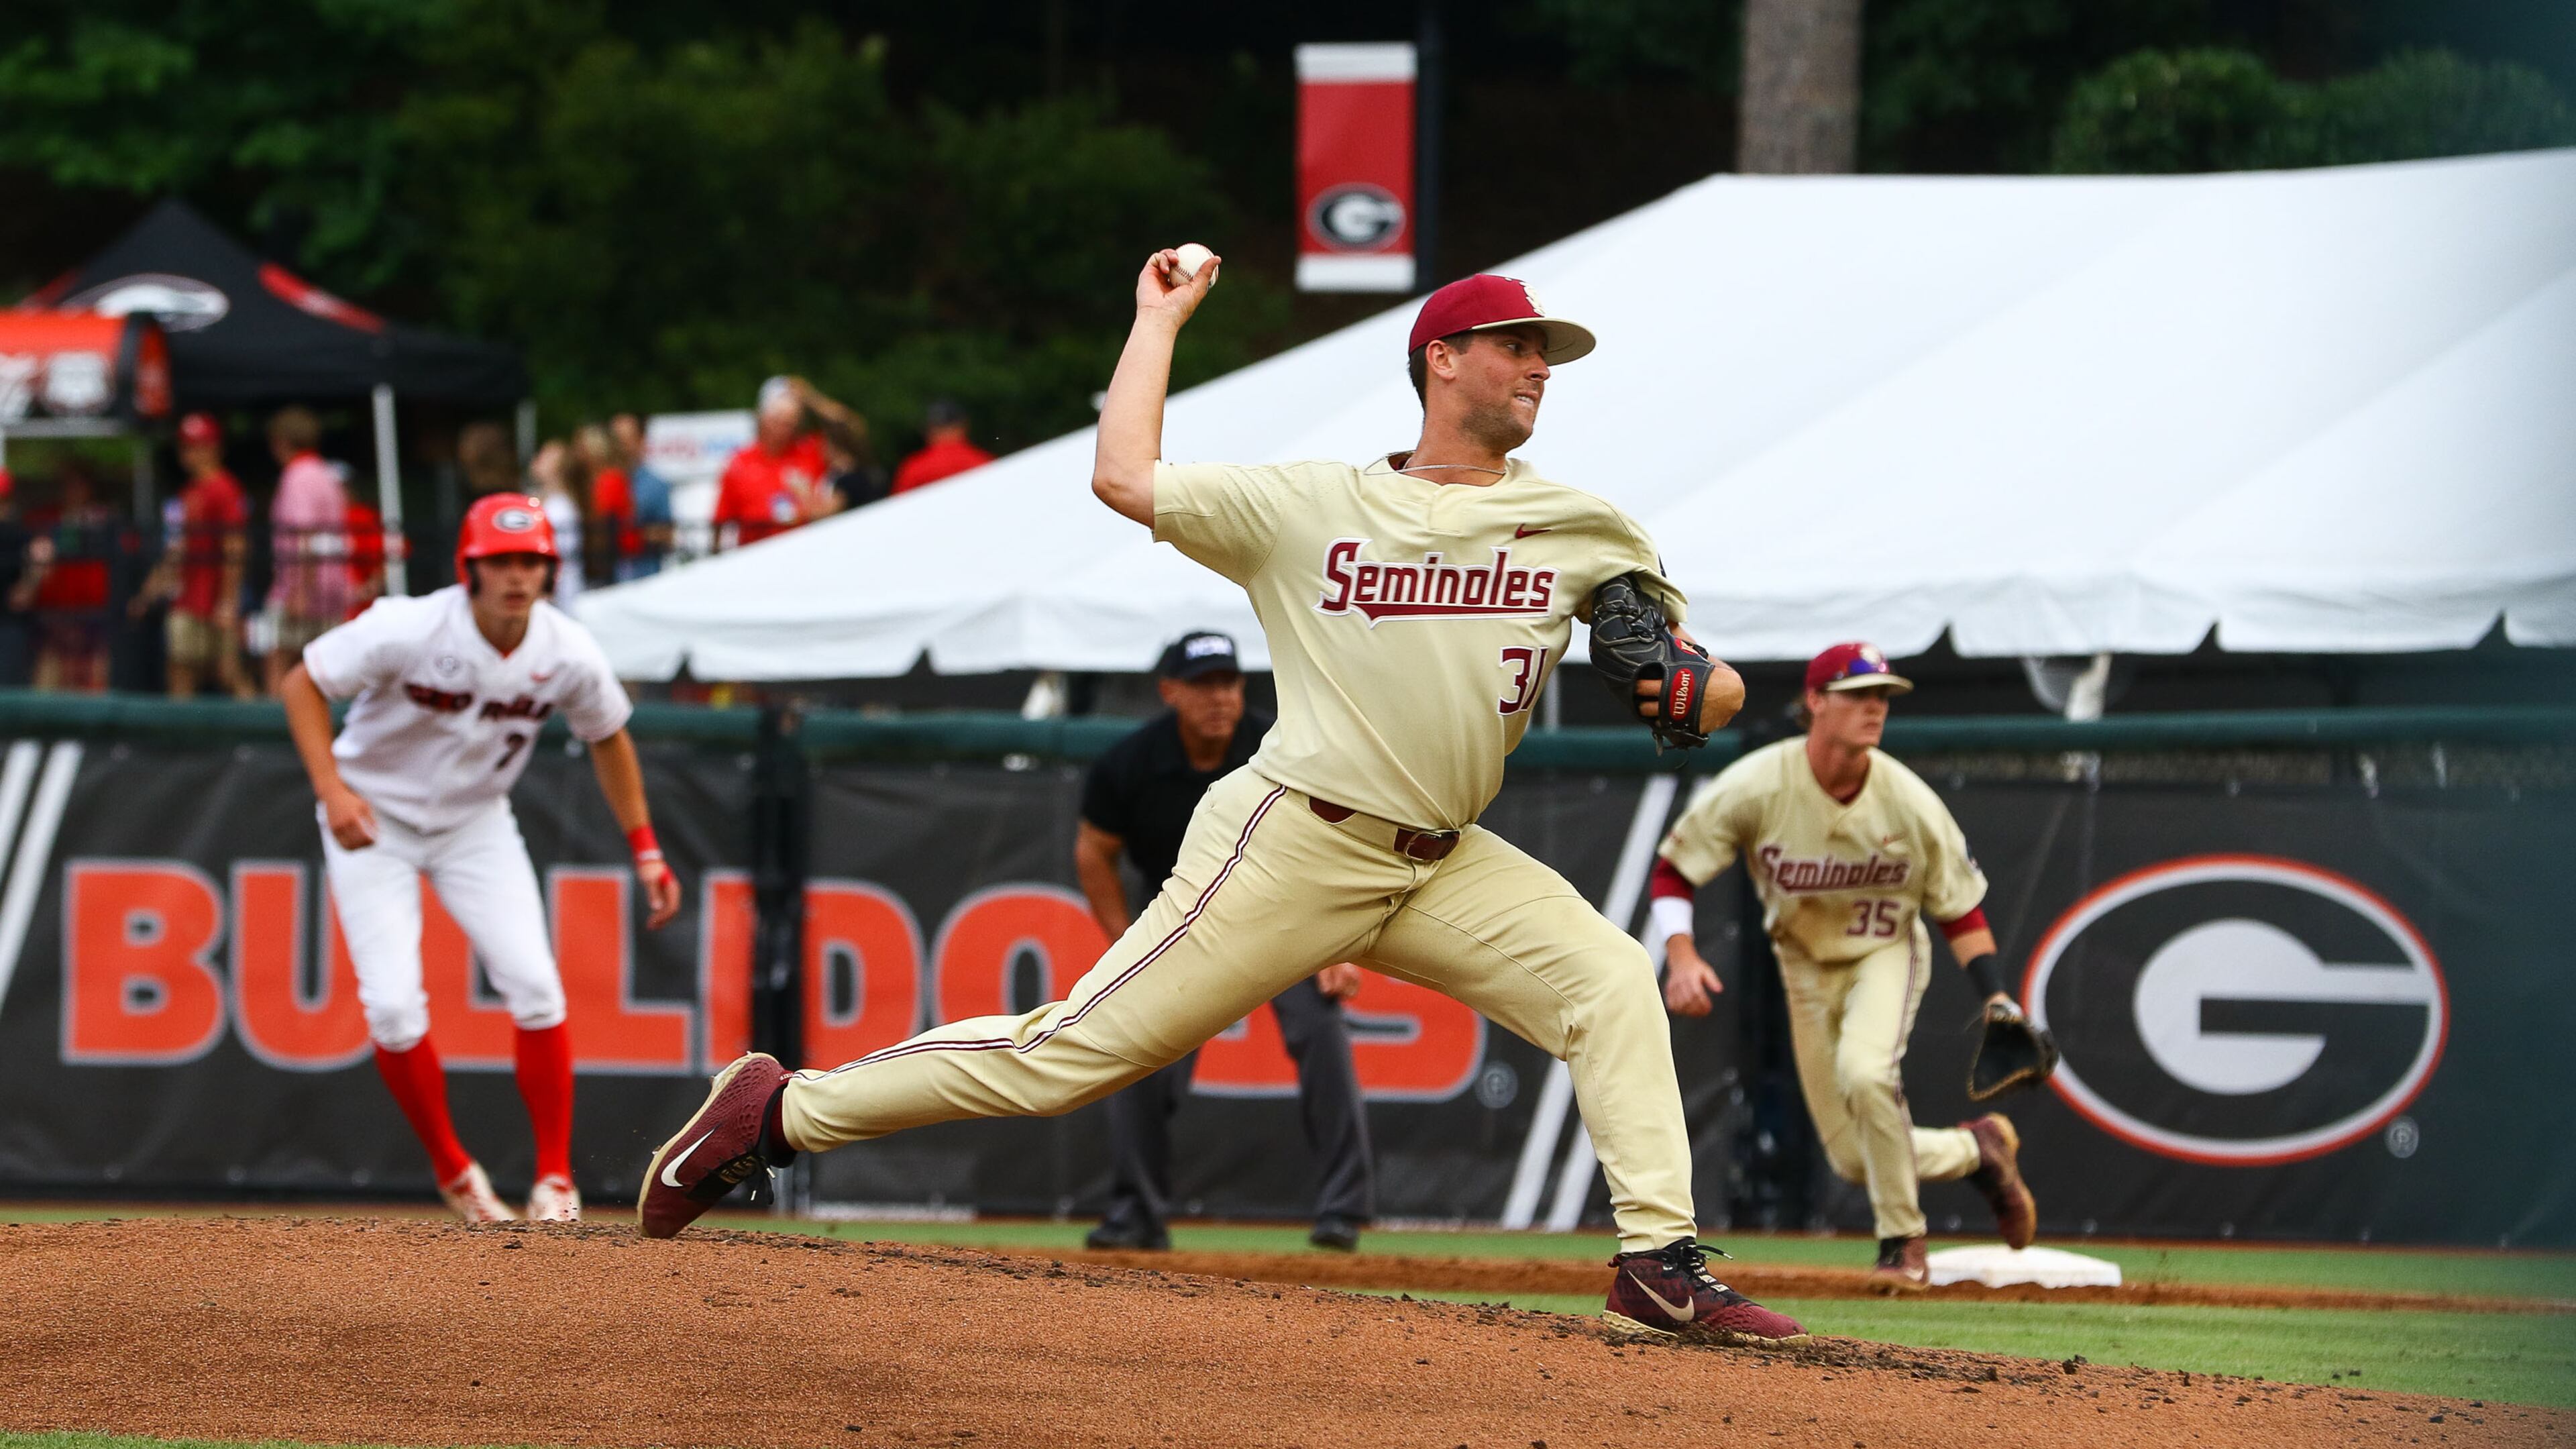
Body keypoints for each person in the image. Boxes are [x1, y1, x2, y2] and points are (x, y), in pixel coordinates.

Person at [639, 257, 1809, 1348]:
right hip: (1298, 839)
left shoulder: (1585, 526)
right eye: (1515, 344)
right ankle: (780, 1114)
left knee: (1609, 982)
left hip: (1443, 860)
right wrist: (1156, 321)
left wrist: (1700, 689)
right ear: (1441, 359)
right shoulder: (1309, 505)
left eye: (1546, 351)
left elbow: (1705, 683)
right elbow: (1123, 476)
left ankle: (1657, 1259)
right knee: (1069, 1059)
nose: (1540, 366)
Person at [278, 492, 682, 1223]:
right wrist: (331, 788)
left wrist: (646, 849)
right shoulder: (409, 625)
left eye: (531, 560)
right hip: (375, 816)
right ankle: (455, 1173)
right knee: (394, 1008)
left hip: (475, 824)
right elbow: (301, 681)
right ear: (471, 567)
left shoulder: (566, 649)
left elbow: (609, 737)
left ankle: (556, 1180)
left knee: (536, 986)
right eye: (501, 560)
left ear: (549, 571)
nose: (517, 576)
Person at [1649, 643, 2039, 1291]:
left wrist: (1997, 997)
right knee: (1854, 1158)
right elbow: (1673, 869)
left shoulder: (1907, 801)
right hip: (1802, 964)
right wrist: (1682, 952)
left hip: (1885, 950)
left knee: (1866, 1073)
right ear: (1815, 702)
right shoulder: (1758, 785)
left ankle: (1904, 1245)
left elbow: (1959, 910)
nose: (1874, 708)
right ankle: (1978, 1150)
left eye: (1883, 696)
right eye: (1859, 694)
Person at [1076, 631, 1375, 1253]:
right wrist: (1121, 941)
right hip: (1183, 926)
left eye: (1230, 683)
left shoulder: (1283, 749)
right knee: (1130, 1044)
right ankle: (1137, 1213)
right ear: (1169, 692)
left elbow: (1339, 844)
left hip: (1282, 917)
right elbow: (1093, 852)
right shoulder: (1129, 763)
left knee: (1323, 1031)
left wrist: (1340, 946)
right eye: (1205, 684)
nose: (1221, 697)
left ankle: (1343, 1211)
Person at [130, 413, 253, 698]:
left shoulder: (225, 487)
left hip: (214, 596)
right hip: (187, 597)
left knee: (227, 670)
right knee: (181, 668)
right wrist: (148, 594)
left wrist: (228, 601)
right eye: (185, 446)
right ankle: (182, 741)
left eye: (197, 446)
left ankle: (261, 738)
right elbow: (176, 550)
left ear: (214, 448)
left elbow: (234, 547)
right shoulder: (188, 493)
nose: (188, 453)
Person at [264, 406, 354, 694]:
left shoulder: (297, 477)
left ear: (280, 442)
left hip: (302, 586)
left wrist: (300, 589)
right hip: (334, 585)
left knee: (277, 657)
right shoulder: (327, 476)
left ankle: (275, 730)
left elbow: (304, 534)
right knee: (322, 667)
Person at [30, 460, 117, 694]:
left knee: (92, 676)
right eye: (68, 485)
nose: (73, 490)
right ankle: (41, 728)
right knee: (51, 675)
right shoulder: (47, 518)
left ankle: (94, 728)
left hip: (93, 610)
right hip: (55, 611)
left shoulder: (104, 519)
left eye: (79, 484)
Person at [712, 378, 830, 549]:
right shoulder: (739, 462)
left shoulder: (810, 451)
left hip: (804, 552)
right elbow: (720, 520)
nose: (783, 429)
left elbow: (848, 430)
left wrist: (812, 398)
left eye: (790, 423)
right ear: (763, 419)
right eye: (778, 421)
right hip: (756, 556)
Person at [788, 378, 884, 512]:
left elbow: (821, 515)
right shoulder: (864, 469)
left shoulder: (849, 480)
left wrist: (802, 492)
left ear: (833, 446)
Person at [604, 414, 674, 577]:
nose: (622, 446)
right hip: (607, 579)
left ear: (641, 440)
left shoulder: (656, 485)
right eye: (617, 440)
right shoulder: (600, 481)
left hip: (644, 575)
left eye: (626, 439)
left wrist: (636, 535)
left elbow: (668, 534)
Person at [889, 398, 993, 495]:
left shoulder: (913, 468)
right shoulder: (982, 462)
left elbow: (899, 509)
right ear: (963, 427)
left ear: (929, 430)